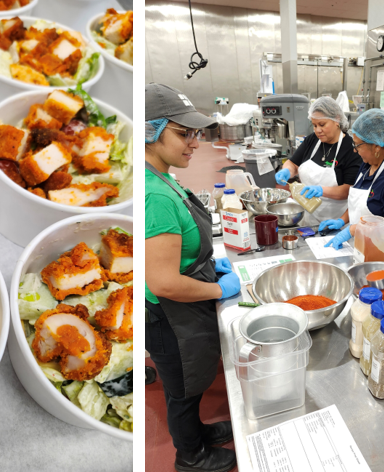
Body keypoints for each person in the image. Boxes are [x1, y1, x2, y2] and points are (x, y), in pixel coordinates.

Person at [144, 83, 240, 472]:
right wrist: (218, 287)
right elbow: (163, 283)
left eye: (195, 133)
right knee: (182, 388)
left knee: (192, 381)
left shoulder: (163, 175)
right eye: (183, 133)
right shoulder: (156, 196)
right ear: (150, 131)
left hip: (183, 305)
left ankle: (198, 431)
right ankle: (191, 454)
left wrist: (205, 264)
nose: (194, 143)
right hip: (169, 315)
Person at [321, 108, 384, 249]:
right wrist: (342, 220)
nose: (354, 150)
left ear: (376, 146)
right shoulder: (368, 162)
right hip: (361, 244)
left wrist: (352, 230)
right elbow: (358, 206)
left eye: (357, 145)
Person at [274, 97, 363, 226]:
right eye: (314, 125)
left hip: (333, 220)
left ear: (337, 119)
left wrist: (322, 190)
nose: (317, 130)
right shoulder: (312, 140)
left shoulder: (350, 148)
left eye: (322, 125)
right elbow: (293, 163)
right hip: (305, 216)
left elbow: (348, 190)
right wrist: (287, 170)